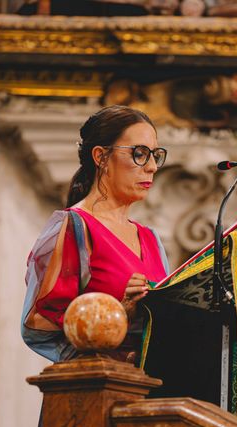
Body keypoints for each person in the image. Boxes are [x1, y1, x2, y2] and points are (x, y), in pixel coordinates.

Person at [20, 104, 170, 364]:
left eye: (155, 155)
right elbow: (38, 324)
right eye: (140, 154)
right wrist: (119, 312)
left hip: (153, 389)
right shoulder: (74, 226)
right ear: (101, 157)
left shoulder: (150, 238)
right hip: (97, 392)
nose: (153, 167)